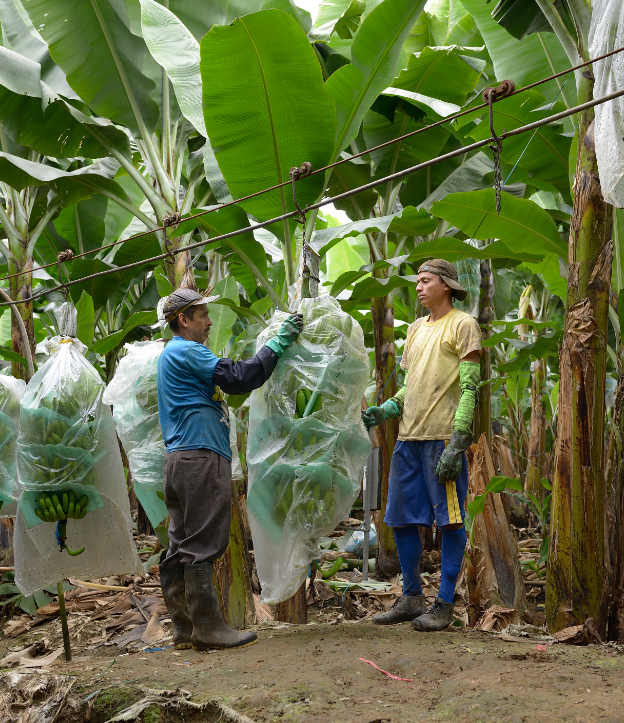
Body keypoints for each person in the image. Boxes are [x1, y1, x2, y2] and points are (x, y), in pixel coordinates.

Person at [156, 288, 303, 650]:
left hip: (179, 460)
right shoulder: (186, 349)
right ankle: (207, 628)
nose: (208, 323)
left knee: (182, 542)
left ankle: (185, 629)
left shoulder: (169, 355)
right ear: (183, 320)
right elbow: (240, 376)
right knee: (204, 542)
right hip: (200, 457)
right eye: (202, 316)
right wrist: (278, 343)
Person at [362, 260, 481, 631]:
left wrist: (458, 442)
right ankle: (412, 596)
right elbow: (409, 387)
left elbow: (470, 387)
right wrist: (385, 410)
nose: (418, 287)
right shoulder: (414, 330)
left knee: (450, 521)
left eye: (426, 281)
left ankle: (444, 603)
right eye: (417, 282)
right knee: (400, 517)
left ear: (446, 285)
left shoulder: (463, 325)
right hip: (409, 439)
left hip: (442, 438)